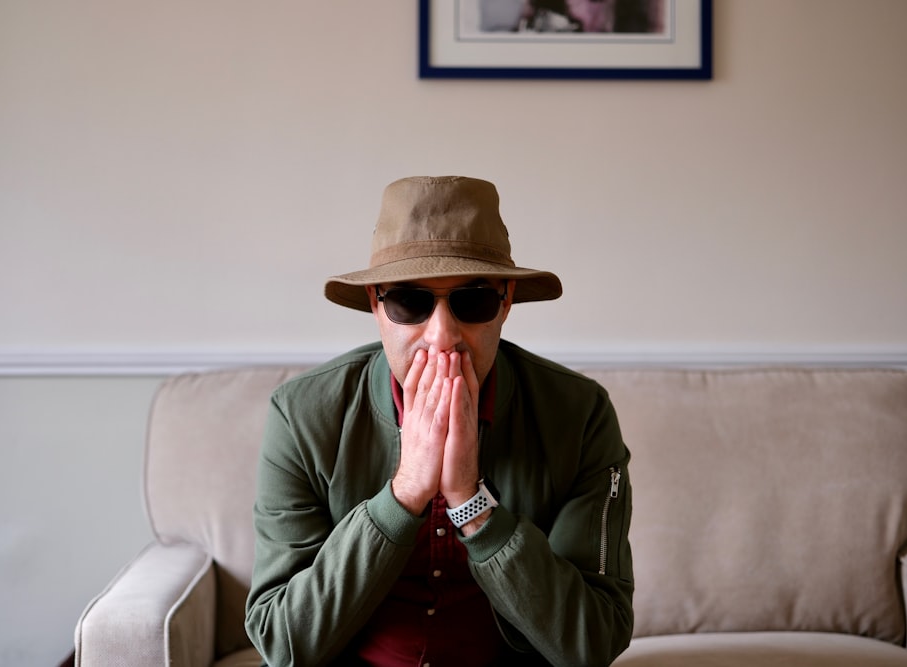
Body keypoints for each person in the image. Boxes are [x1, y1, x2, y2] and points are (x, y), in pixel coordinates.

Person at [245, 176, 633, 666]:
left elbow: (593, 642)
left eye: (473, 300)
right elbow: (283, 643)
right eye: (411, 300)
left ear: (506, 301)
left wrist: (473, 504)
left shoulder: (580, 416)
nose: (443, 336)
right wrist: (404, 493)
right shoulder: (301, 416)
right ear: (376, 305)